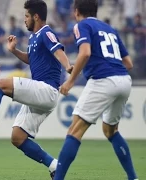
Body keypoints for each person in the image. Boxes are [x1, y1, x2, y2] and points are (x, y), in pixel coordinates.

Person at [0, 0, 72, 179]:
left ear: (36, 16)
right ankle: (54, 166)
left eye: (26, 16)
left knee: (0, 85)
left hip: (47, 89)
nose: (24, 20)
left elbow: (58, 51)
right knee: (18, 138)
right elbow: (32, 60)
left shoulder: (46, 32)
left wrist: (69, 67)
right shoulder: (34, 37)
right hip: (42, 94)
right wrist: (14, 51)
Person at [54, 0, 138, 179]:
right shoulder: (110, 29)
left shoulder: (81, 25)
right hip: (123, 80)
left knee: (74, 130)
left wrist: (70, 82)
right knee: (110, 130)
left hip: (103, 80)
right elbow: (128, 63)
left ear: (76, 11)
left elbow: (85, 52)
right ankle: (133, 177)